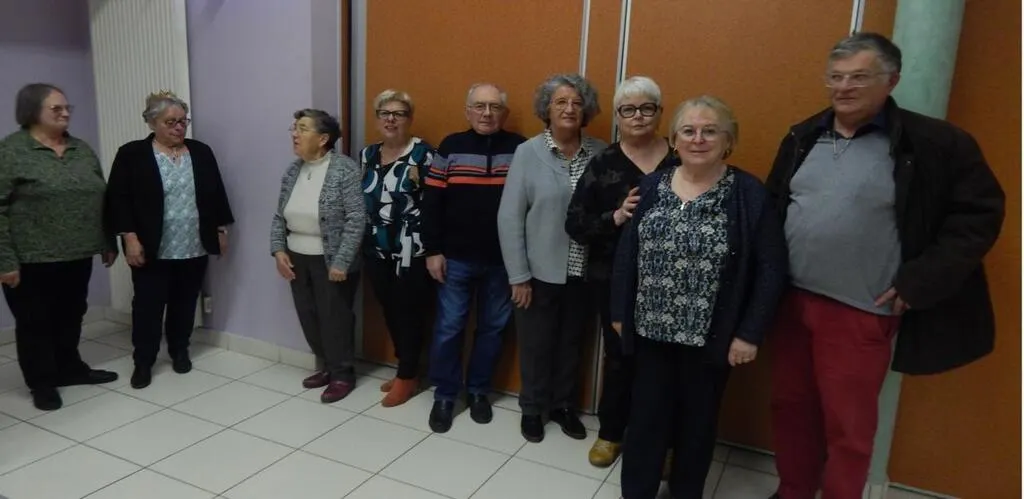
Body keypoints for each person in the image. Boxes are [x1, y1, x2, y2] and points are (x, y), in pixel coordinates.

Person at [766, 33, 1005, 499]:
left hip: (860, 312)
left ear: (891, 80)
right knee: (790, 408)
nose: (844, 87)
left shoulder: (935, 143)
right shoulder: (802, 136)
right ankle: (793, 491)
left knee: (848, 426)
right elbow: (773, 209)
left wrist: (920, 281)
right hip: (791, 304)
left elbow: (978, 218)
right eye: (836, 77)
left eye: (859, 77)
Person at [610, 95, 787, 499]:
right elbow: (627, 252)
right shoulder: (651, 185)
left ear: (729, 140)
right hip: (650, 331)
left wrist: (750, 333)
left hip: (711, 337)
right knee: (646, 420)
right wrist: (620, 311)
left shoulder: (748, 193)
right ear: (674, 139)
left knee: (697, 425)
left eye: (710, 131)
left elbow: (771, 268)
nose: (698, 139)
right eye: (688, 130)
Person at [566, 75, 676, 467]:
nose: (638, 116)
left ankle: (662, 443)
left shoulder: (682, 158)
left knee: (666, 367)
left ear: (660, 113)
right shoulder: (603, 162)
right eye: (628, 110)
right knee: (619, 360)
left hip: (672, 283)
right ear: (617, 116)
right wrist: (615, 216)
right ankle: (611, 433)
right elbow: (575, 224)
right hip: (613, 281)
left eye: (647, 108)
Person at [498, 73, 606, 443]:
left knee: (572, 344)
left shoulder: (602, 153)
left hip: (584, 271)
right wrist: (518, 275)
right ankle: (532, 408)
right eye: (561, 102)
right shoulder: (528, 153)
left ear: (586, 110)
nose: (569, 109)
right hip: (538, 272)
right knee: (535, 345)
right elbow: (509, 217)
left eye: (577, 103)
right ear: (547, 108)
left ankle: (563, 406)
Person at [0, 83, 119, 411]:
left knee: (70, 315)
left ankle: (69, 368)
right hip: (30, 259)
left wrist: (107, 240)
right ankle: (42, 382)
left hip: (77, 254)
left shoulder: (81, 149)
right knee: (35, 323)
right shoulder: (11, 151)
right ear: (32, 112)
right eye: (56, 108)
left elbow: (101, 196)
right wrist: (4, 260)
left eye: (68, 108)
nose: (66, 113)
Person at [105, 91, 234, 390]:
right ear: (152, 123)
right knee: (148, 307)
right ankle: (143, 361)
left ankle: (179, 350)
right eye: (171, 122)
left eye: (183, 121)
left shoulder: (201, 152)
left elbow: (215, 194)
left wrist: (220, 231)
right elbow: (118, 200)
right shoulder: (132, 154)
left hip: (193, 244)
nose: (179, 127)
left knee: (185, 303)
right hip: (151, 247)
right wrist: (129, 238)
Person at [421, 83, 526, 432]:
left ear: (504, 113)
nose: (487, 113)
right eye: (479, 106)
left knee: (493, 329)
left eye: (494, 107)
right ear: (467, 111)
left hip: (504, 261)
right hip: (455, 258)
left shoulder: (520, 149)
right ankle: (445, 395)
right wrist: (432, 250)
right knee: (449, 328)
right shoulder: (451, 146)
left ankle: (479, 391)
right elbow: (431, 202)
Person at [271, 109, 365, 404]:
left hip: (332, 260)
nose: (295, 134)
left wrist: (342, 261)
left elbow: (356, 218)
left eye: (302, 129)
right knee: (309, 317)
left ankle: (342, 374)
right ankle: (326, 366)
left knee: (335, 319)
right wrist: (278, 250)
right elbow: (279, 215)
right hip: (297, 257)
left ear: (323, 139)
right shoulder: (293, 170)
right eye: (294, 128)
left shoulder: (344, 169)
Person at [360, 89, 435, 408]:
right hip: (376, 249)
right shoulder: (367, 154)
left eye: (399, 114)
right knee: (389, 309)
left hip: (411, 251)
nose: (391, 119)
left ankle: (408, 374)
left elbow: (434, 205)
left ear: (410, 119)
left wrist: (434, 249)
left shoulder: (424, 155)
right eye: (384, 113)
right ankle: (405, 367)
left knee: (409, 313)